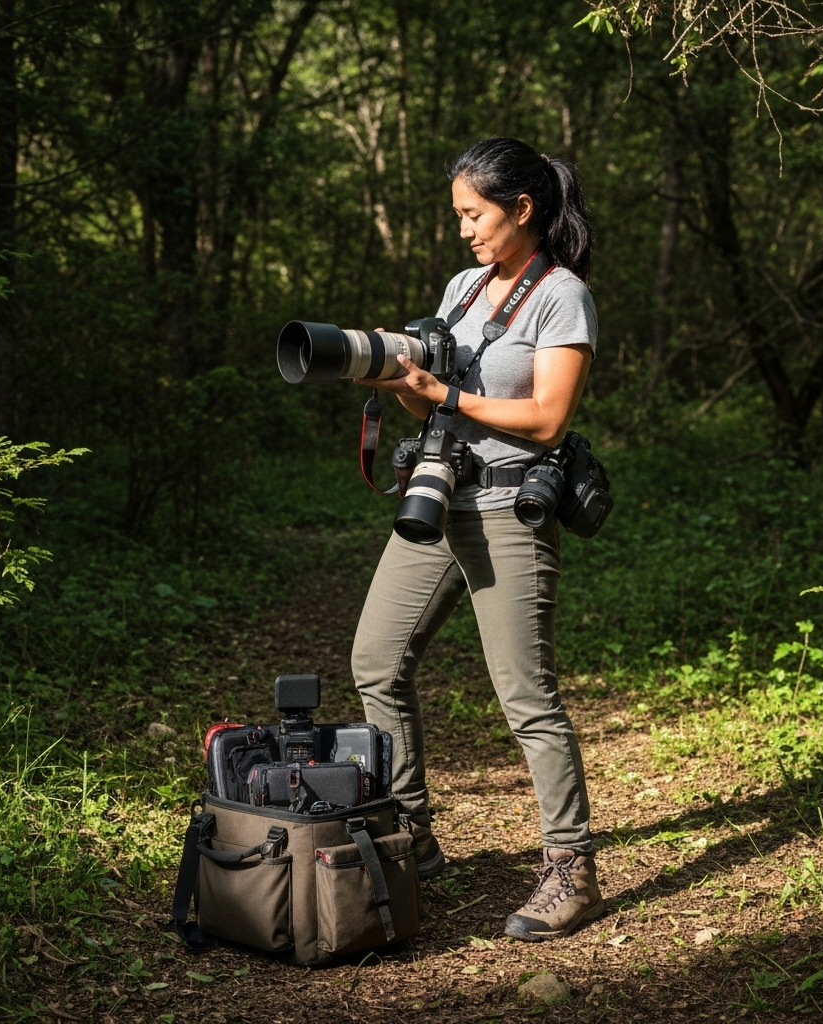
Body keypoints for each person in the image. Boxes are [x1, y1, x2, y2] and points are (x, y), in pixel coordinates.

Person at [351, 137, 602, 942]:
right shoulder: (463, 288)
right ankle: (413, 836)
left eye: (474, 214)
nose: (463, 229)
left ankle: (572, 870)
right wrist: (398, 381)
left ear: (521, 209)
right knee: (375, 662)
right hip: (439, 493)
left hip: (509, 510)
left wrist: (441, 389)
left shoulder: (561, 296)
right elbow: (436, 407)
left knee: (527, 699)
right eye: (458, 214)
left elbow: (547, 417)